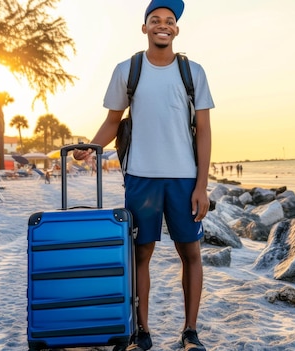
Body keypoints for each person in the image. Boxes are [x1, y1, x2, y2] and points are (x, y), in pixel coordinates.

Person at [73, 1, 214, 350]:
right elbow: (112, 120)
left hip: (184, 179)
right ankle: (143, 331)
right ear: (145, 27)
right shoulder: (128, 69)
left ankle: (190, 332)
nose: (162, 26)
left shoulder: (193, 72)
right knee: (140, 254)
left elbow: (205, 131)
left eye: (169, 21)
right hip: (140, 177)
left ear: (177, 30)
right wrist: (90, 147)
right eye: (155, 20)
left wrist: (202, 186)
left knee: (191, 253)